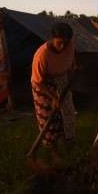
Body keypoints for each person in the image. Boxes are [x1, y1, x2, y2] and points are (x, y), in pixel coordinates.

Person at [30, 22, 76, 165]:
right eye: (59, 43)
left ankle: (68, 141)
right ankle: (53, 151)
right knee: (48, 118)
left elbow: (71, 57)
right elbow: (38, 82)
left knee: (67, 112)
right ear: (52, 39)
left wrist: (74, 66)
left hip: (61, 78)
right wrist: (53, 97)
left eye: (65, 43)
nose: (62, 46)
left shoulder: (69, 45)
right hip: (43, 84)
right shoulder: (42, 55)